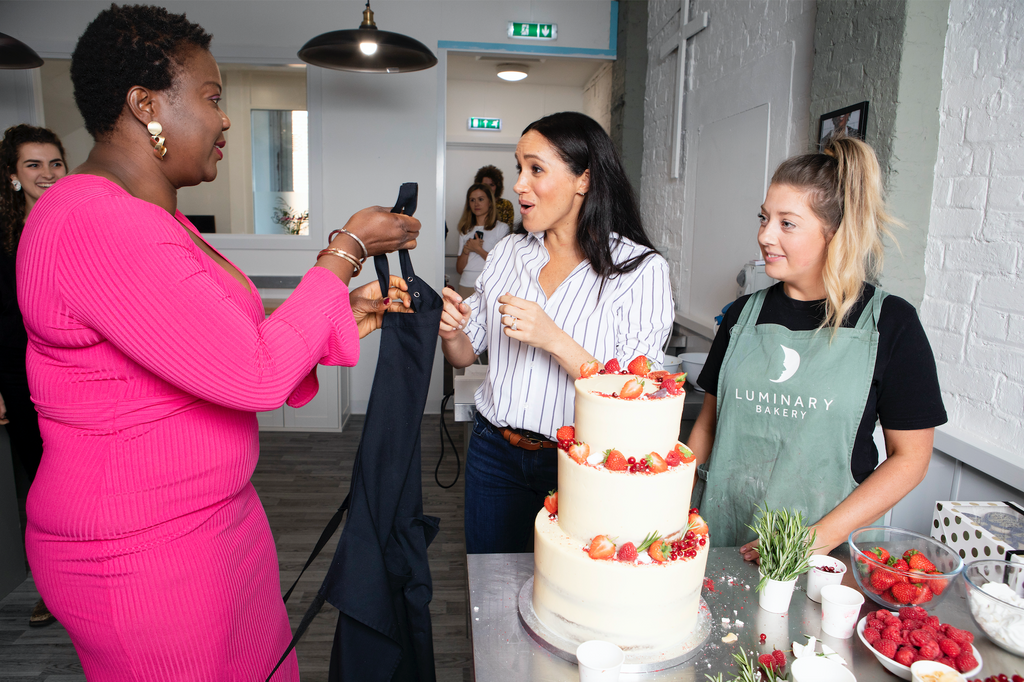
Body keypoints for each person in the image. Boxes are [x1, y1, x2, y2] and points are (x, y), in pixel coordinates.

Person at [19, 5, 418, 680]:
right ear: (146, 105)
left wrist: (340, 316)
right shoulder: (97, 222)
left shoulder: (150, 217)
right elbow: (254, 372)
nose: (226, 118)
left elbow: (212, 347)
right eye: (211, 98)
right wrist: (344, 251)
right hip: (139, 551)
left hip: (212, 524)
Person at [687, 134, 946, 561]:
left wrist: (816, 538)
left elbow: (911, 457)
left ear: (836, 232)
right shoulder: (740, 317)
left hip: (826, 555)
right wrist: (673, 508)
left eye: (787, 223)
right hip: (723, 537)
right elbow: (708, 427)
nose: (765, 235)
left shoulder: (891, 324)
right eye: (763, 218)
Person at [440, 112, 673, 554]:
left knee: (566, 599)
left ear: (583, 180)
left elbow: (640, 397)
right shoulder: (508, 251)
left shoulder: (640, 270)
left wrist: (554, 338)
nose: (518, 185)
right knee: (490, 586)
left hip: (579, 464)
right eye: (518, 168)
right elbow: (466, 354)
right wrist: (451, 330)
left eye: (536, 169)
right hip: (493, 451)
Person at [1, 124, 67, 628]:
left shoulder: (72, 223)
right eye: (33, 165)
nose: (46, 174)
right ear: (12, 176)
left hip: (71, 371)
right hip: (18, 374)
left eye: (55, 163)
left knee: (76, 478)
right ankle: (50, 587)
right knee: (41, 484)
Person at [455, 183, 510, 299]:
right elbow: (459, 269)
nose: (476, 204)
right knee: (464, 317)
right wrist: (466, 250)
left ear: (489, 202)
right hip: (465, 284)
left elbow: (501, 263)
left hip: (489, 285)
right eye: (472, 200)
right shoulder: (465, 230)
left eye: (480, 199)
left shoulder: (501, 228)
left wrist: (478, 249)